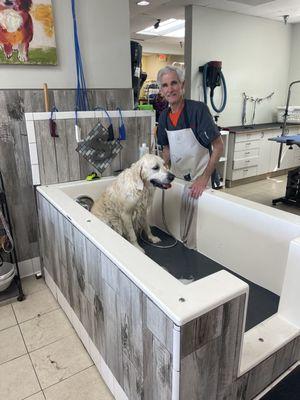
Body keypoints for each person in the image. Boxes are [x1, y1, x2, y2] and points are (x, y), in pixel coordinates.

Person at [157, 65, 224, 199]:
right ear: (161, 91)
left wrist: (204, 178)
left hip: (200, 182)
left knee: (199, 218)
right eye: (165, 85)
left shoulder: (198, 110)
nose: (170, 89)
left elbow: (218, 146)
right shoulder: (164, 116)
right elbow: (166, 149)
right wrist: (161, 174)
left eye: (174, 83)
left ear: (182, 85)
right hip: (177, 180)